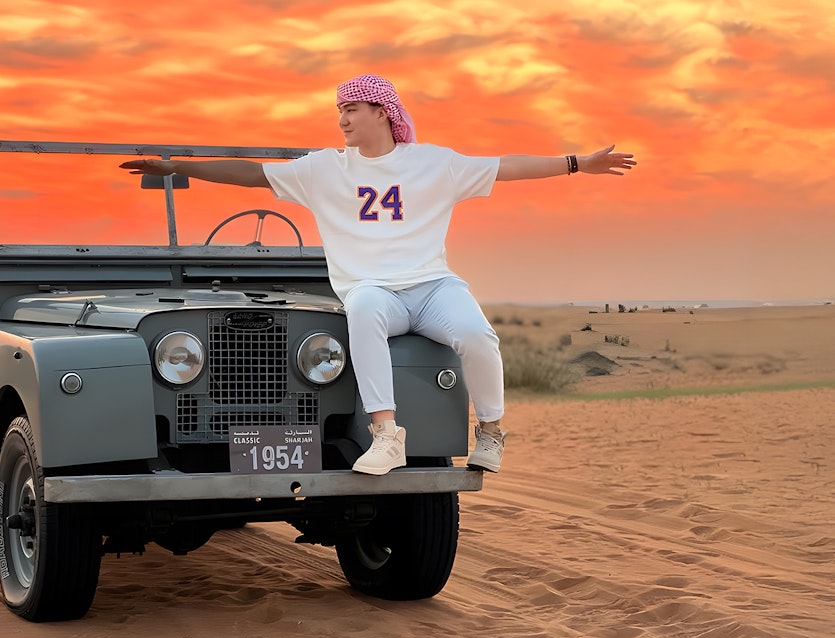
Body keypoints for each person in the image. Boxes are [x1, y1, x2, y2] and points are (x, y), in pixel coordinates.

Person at [121, 74, 636, 476]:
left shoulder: (435, 163)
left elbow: (507, 166)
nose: (342, 120)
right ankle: (387, 436)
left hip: (432, 286)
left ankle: (492, 432)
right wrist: (179, 167)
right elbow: (253, 174)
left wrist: (577, 163)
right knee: (362, 309)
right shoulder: (325, 168)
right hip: (373, 291)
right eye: (339, 110)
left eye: (351, 109)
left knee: (479, 335)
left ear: (382, 111)